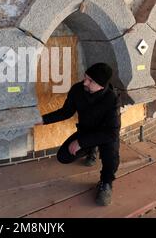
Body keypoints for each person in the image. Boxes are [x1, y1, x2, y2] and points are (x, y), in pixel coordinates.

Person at [36, 63, 121, 206]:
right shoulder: (77, 90)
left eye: (90, 81)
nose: (85, 82)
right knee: (63, 157)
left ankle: (106, 183)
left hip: (105, 136)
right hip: (86, 132)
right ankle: (91, 149)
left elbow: (112, 132)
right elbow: (66, 112)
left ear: (101, 85)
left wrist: (80, 143)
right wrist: (43, 120)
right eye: (85, 77)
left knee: (111, 157)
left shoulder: (112, 99)